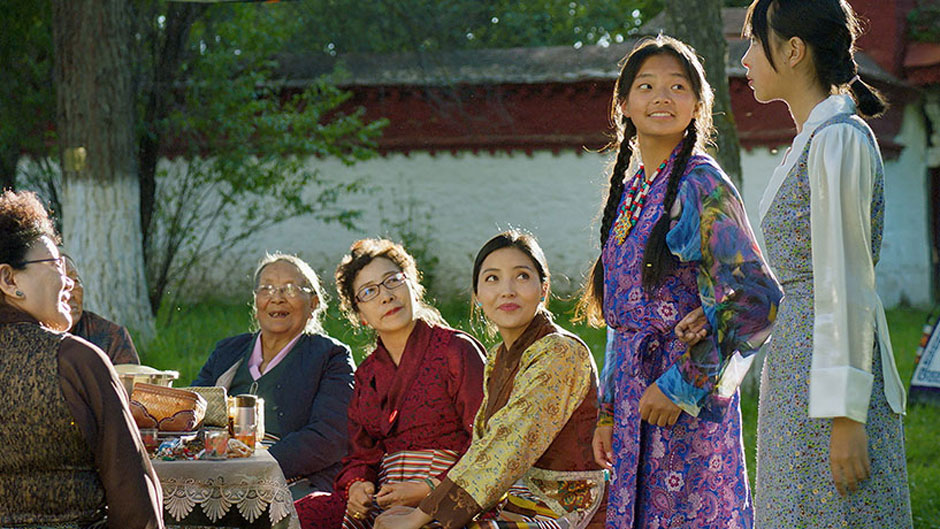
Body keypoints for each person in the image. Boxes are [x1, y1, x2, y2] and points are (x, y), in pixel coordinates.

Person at [578, 36, 782, 528]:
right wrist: (607, 411)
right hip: (630, 401)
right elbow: (620, 321)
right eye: (646, 86)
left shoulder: (702, 184)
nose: (662, 97)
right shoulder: (630, 193)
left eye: (678, 86)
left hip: (684, 406)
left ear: (698, 104)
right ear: (623, 104)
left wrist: (683, 385)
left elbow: (759, 301)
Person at [740, 1, 912, 525]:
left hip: (829, 377)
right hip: (796, 366)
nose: (745, 58)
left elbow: (847, 278)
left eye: (754, 42)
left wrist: (847, 415)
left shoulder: (838, 139)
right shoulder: (814, 139)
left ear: (793, 51)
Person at [376, 230, 607, 529]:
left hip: (565, 507)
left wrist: (421, 515)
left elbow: (508, 444)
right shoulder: (498, 357)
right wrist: (429, 501)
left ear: (544, 289)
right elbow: (483, 447)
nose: (507, 290)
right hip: (513, 501)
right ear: (478, 295)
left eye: (522, 276)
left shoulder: (560, 352)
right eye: (492, 279)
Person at [294, 238, 486, 529]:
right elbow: (361, 454)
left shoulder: (455, 350)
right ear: (361, 317)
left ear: (414, 287)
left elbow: (487, 442)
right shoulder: (368, 374)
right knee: (306, 512)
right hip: (386, 497)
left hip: (450, 493)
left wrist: (428, 488)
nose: (386, 296)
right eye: (369, 292)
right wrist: (359, 486)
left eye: (393, 281)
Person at [0, 190, 163, 529]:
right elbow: (135, 503)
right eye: (56, 264)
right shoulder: (76, 361)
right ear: (9, 279)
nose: (70, 281)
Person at [193, 253, 355, 499]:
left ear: (313, 302)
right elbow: (192, 413)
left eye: (290, 289)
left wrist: (258, 464)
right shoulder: (228, 352)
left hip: (294, 483)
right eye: (267, 289)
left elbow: (330, 436)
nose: (277, 298)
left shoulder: (331, 356)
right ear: (256, 302)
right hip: (219, 474)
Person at [62, 252, 140, 365]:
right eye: (62, 285)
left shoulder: (111, 337)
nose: (70, 294)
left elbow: (130, 380)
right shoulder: (30, 337)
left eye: (75, 281)